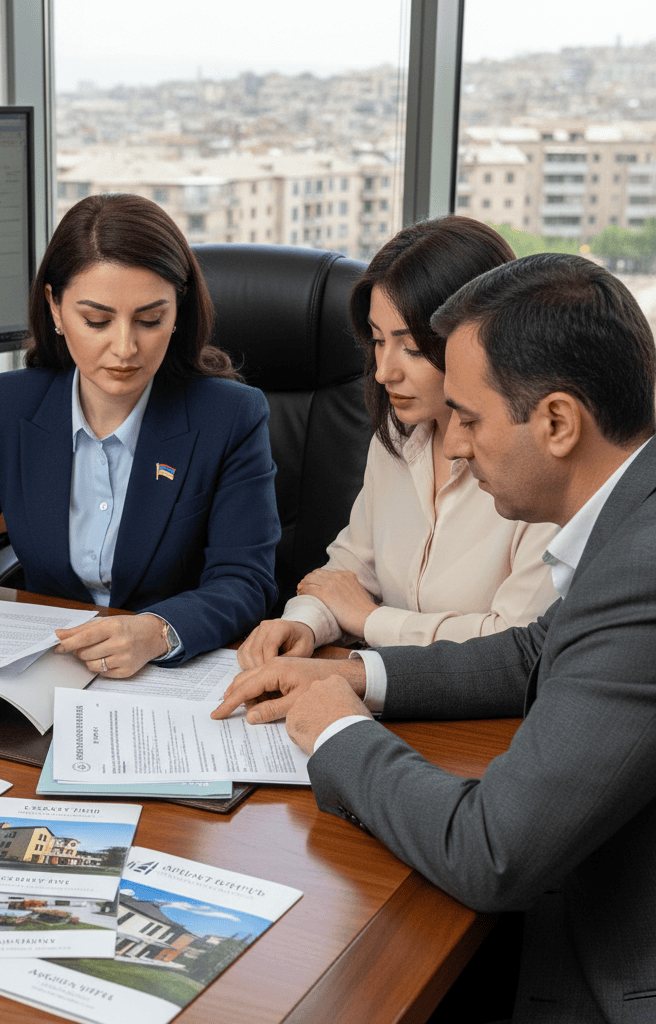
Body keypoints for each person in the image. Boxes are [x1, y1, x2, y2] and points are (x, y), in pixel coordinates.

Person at [214, 252, 656, 1023]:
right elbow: (533, 650)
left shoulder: (642, 570)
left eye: (473, 421)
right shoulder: (632, 514)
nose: (453, 446)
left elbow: (494, 853)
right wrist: (359, 678)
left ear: (556, 422)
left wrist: (338, 734)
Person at [0, 193, 279, 678]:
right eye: (97, 320)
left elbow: (244, 579)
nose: (125, 347)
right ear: (56, 309)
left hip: (169, 673)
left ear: (178, 313)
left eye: (150, 320)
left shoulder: (229, 416)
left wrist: (157, 630)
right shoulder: (9, 405)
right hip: (47, 666)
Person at [237, 217, 558, 669]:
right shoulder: (399, 435)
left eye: (410, 347)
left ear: (477, 338)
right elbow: (349, 570)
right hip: (386, 688)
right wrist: (303, 624)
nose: (385, 371)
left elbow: (517, 642)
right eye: (377, 340)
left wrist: (372, 621)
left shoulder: (539, 463)